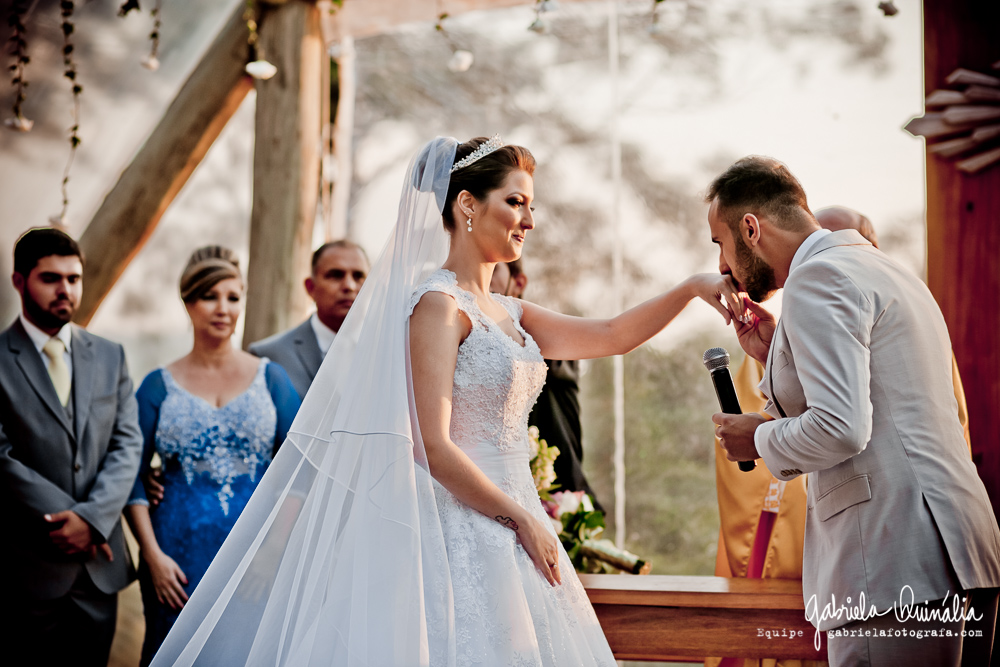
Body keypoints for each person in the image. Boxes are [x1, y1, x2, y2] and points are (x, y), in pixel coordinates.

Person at [146, 136, 739, 666]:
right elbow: (432, 444)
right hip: (463, 523)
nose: (530, 219)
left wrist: (693, 288)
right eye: (517, 202)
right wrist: (521, 520)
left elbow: (612, 335)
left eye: (532, 205)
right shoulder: (437, 304)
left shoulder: (509, 312)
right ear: (467, 205)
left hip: (516, 520)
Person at [707, 156, 1000, 666]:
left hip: (891, 562)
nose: (722, 267)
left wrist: (756, 438)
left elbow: (841, 429)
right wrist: (773, 352)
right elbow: (883, 403)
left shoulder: (816, 277)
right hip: (957, 552)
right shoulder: (887, 270)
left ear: (750, 228)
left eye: (720, 244)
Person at [123, 246, 299, 666]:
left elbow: (300, 468)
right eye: (209, 297)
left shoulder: (271, 379)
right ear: (188, 303)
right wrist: (151, 556)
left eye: (233, 297)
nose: (223, 309)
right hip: (176, 556)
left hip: (253, 552)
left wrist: (273, 550)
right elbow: (128, 474)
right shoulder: (155, 386)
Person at [0, 227, 142, 667]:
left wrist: (93, 520)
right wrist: (69, 522)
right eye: (51, 279)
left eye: (74, 279)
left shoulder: (110, 355)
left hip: (98, 566)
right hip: (26, 565)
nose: (66, 290)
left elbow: (127, 442)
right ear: (20, 282)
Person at [491, 258, 603, 510]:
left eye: (495, 269)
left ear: (518, 283)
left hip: (561, 496)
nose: (486, 280)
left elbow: (607, 335)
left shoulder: (538, 340)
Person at [248, 240, 370, 400]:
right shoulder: (269, 355)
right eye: (335, 275)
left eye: (358, 276)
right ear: (310, 287)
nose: (349, 286)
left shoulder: (394, 350)